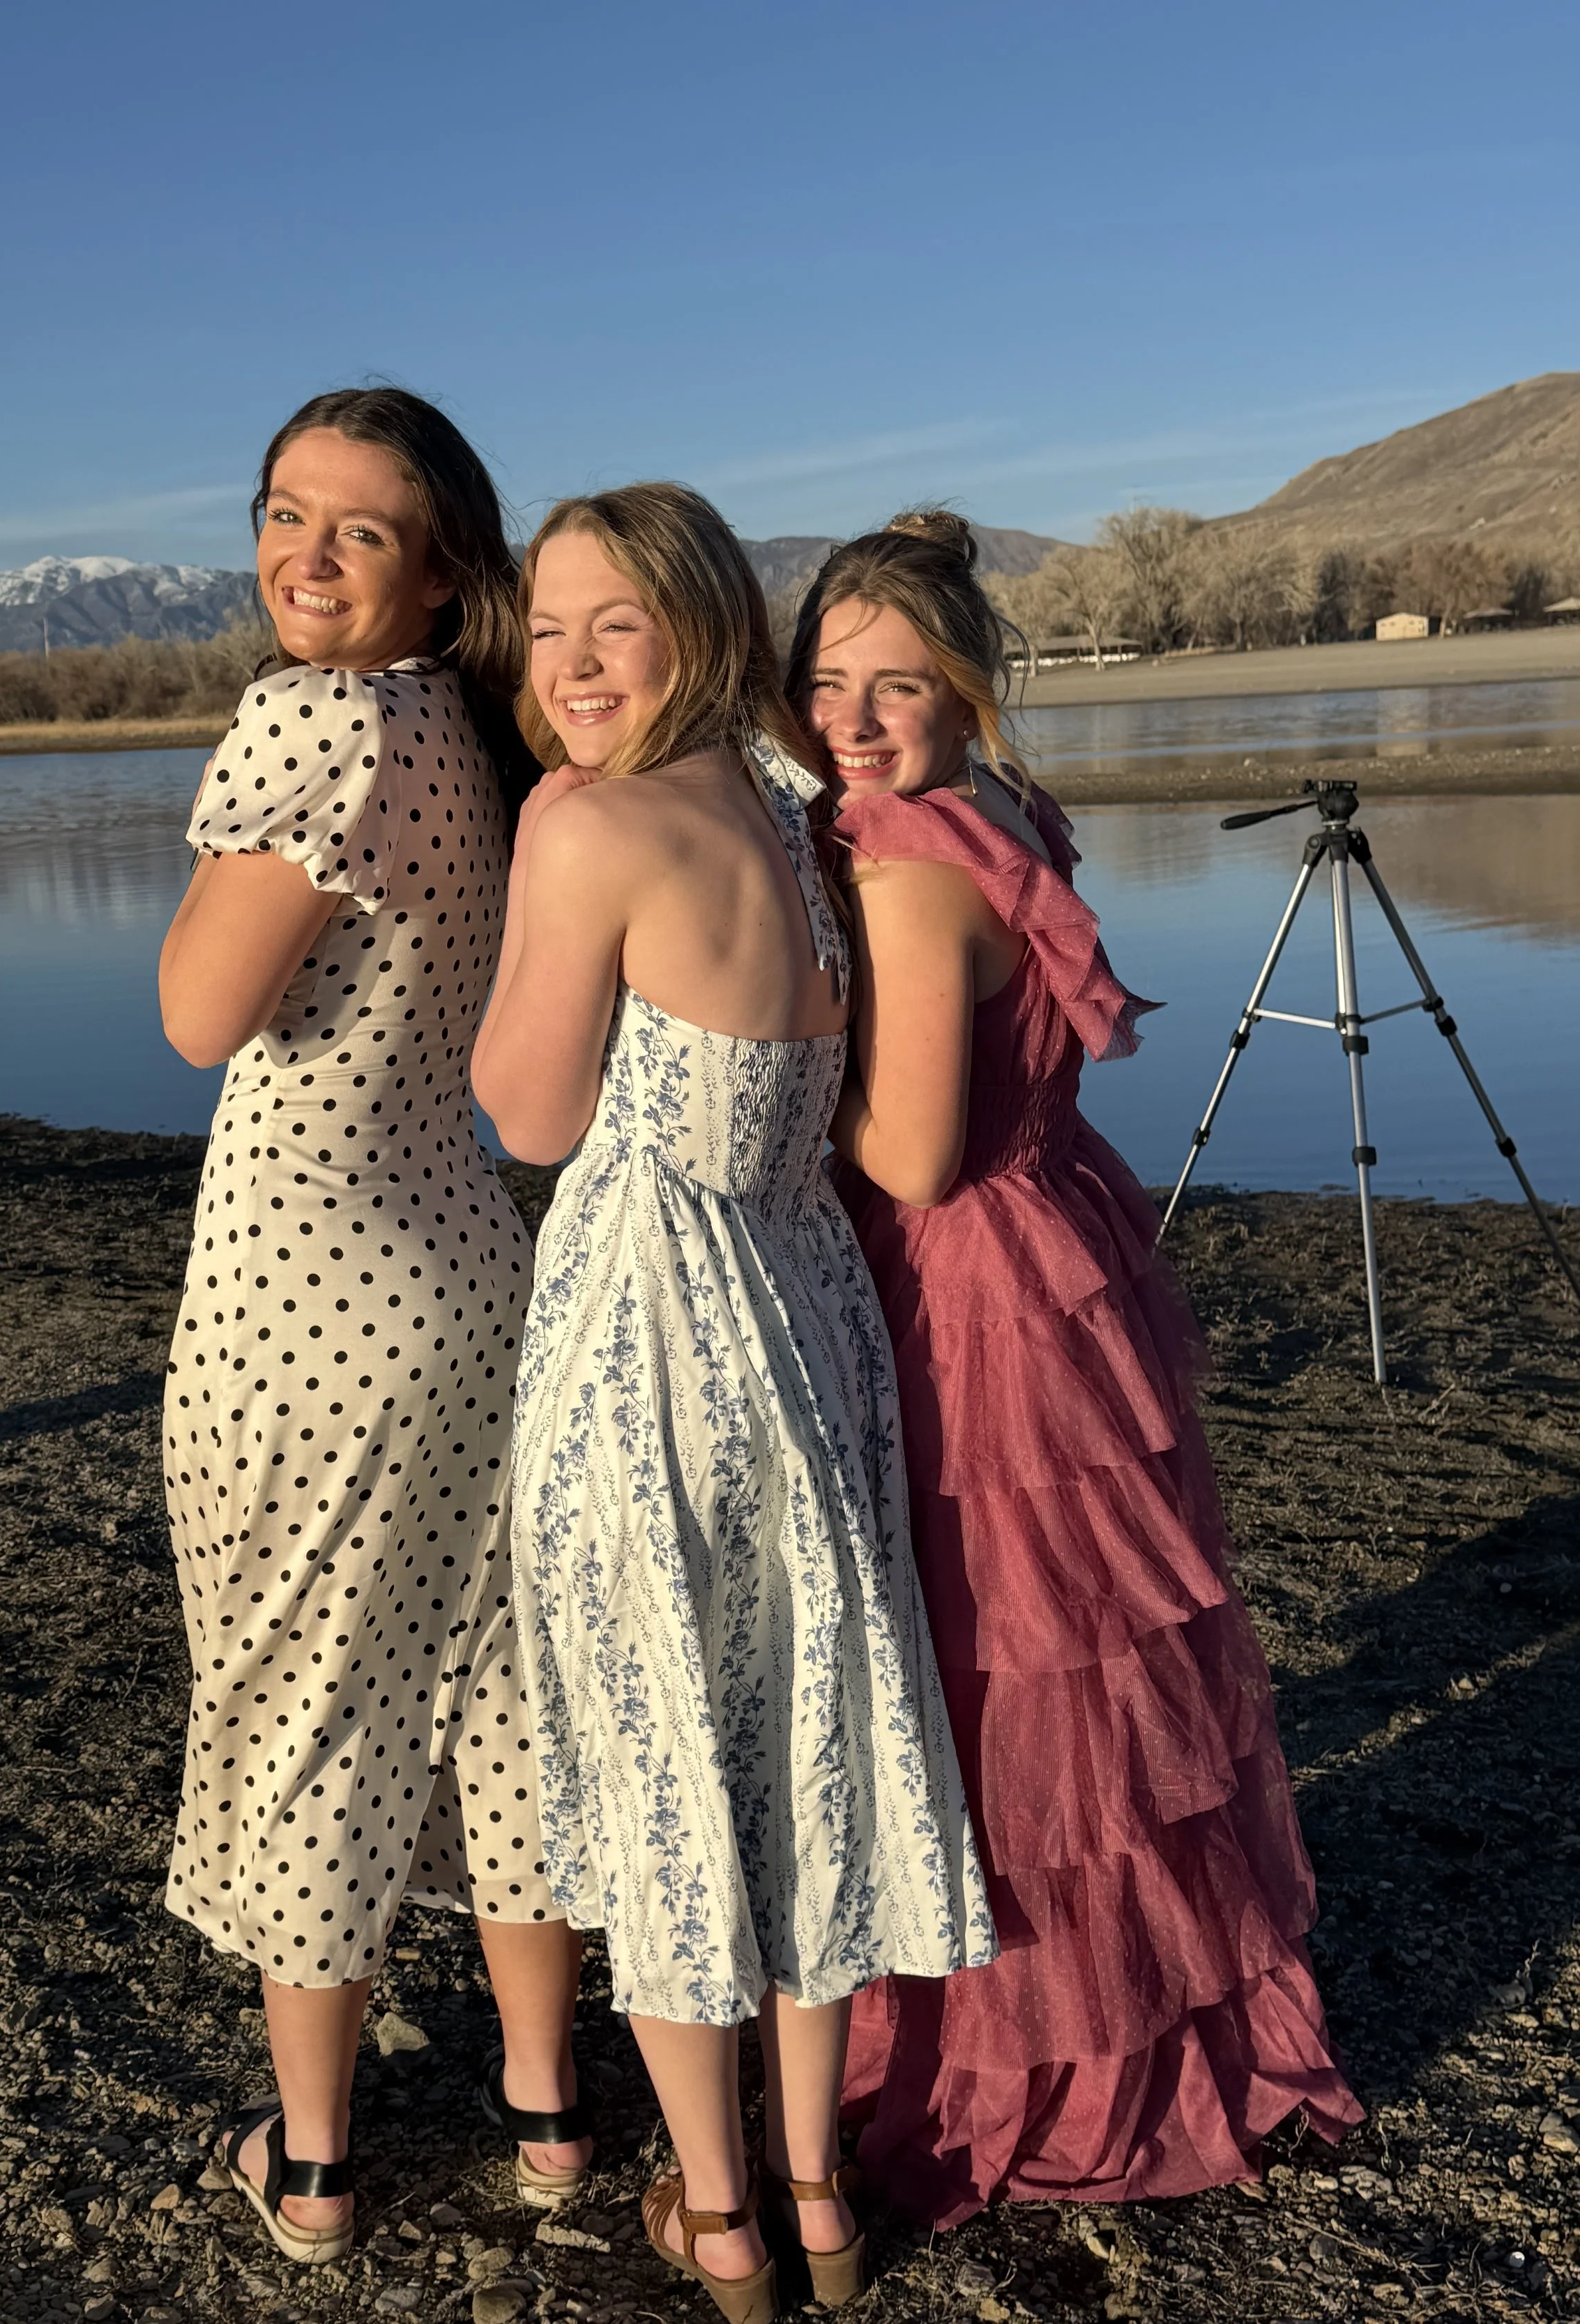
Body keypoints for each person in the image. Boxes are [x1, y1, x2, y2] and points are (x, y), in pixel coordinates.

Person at [787, 510, 1362, 2220]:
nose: (854, 721)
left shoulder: (903, 867)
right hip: (1059, 1240)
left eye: (897, 686)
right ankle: (1151, 2012)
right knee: (1086, 1661)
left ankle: (1036, 2058)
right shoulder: (1008, 811)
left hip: (964, 1286)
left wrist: (766, 1083)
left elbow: (907, 1156)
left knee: (1008, 1672)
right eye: (826, 683)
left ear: (966, 688)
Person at [472, 484, 992, 2323]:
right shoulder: (789, 805)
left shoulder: (590, 821)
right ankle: (818, 2192)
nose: (570, 663)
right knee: (801, 1751)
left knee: (665, 1764)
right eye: (547, 627)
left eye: (611, 623)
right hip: (806, 1313)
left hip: (648, 1330)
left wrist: (532, 867)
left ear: (694, 627)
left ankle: (718, 2216)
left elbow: (531, 1110)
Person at [158, 389, 590, 2267]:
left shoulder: (318, 720)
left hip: (304, 1309)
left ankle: (318, 2163)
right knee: (501, 1694)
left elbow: (197, 1011)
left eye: (358, 529)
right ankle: (546, 2111)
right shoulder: (477, 743)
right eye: (282, 512)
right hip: (473, 1278)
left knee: (306, 1711)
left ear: (441, 572)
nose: (303, 555)